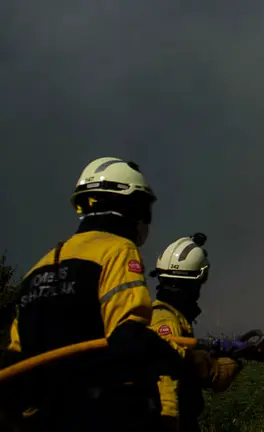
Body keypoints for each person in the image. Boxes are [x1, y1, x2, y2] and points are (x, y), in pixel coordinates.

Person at [4, 157, 186, 432]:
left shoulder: (38, 270)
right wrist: (180, 360)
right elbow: (128, 337)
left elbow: (17, 359)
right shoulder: (117, 250)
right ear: (130, 207)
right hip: (99, 414)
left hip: (43, 419)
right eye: (144, 210)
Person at [149, 233, 244, 432]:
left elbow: (185, 363)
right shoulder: (166, 322)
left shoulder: (173, 318)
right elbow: (166, 377)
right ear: (193, 284)